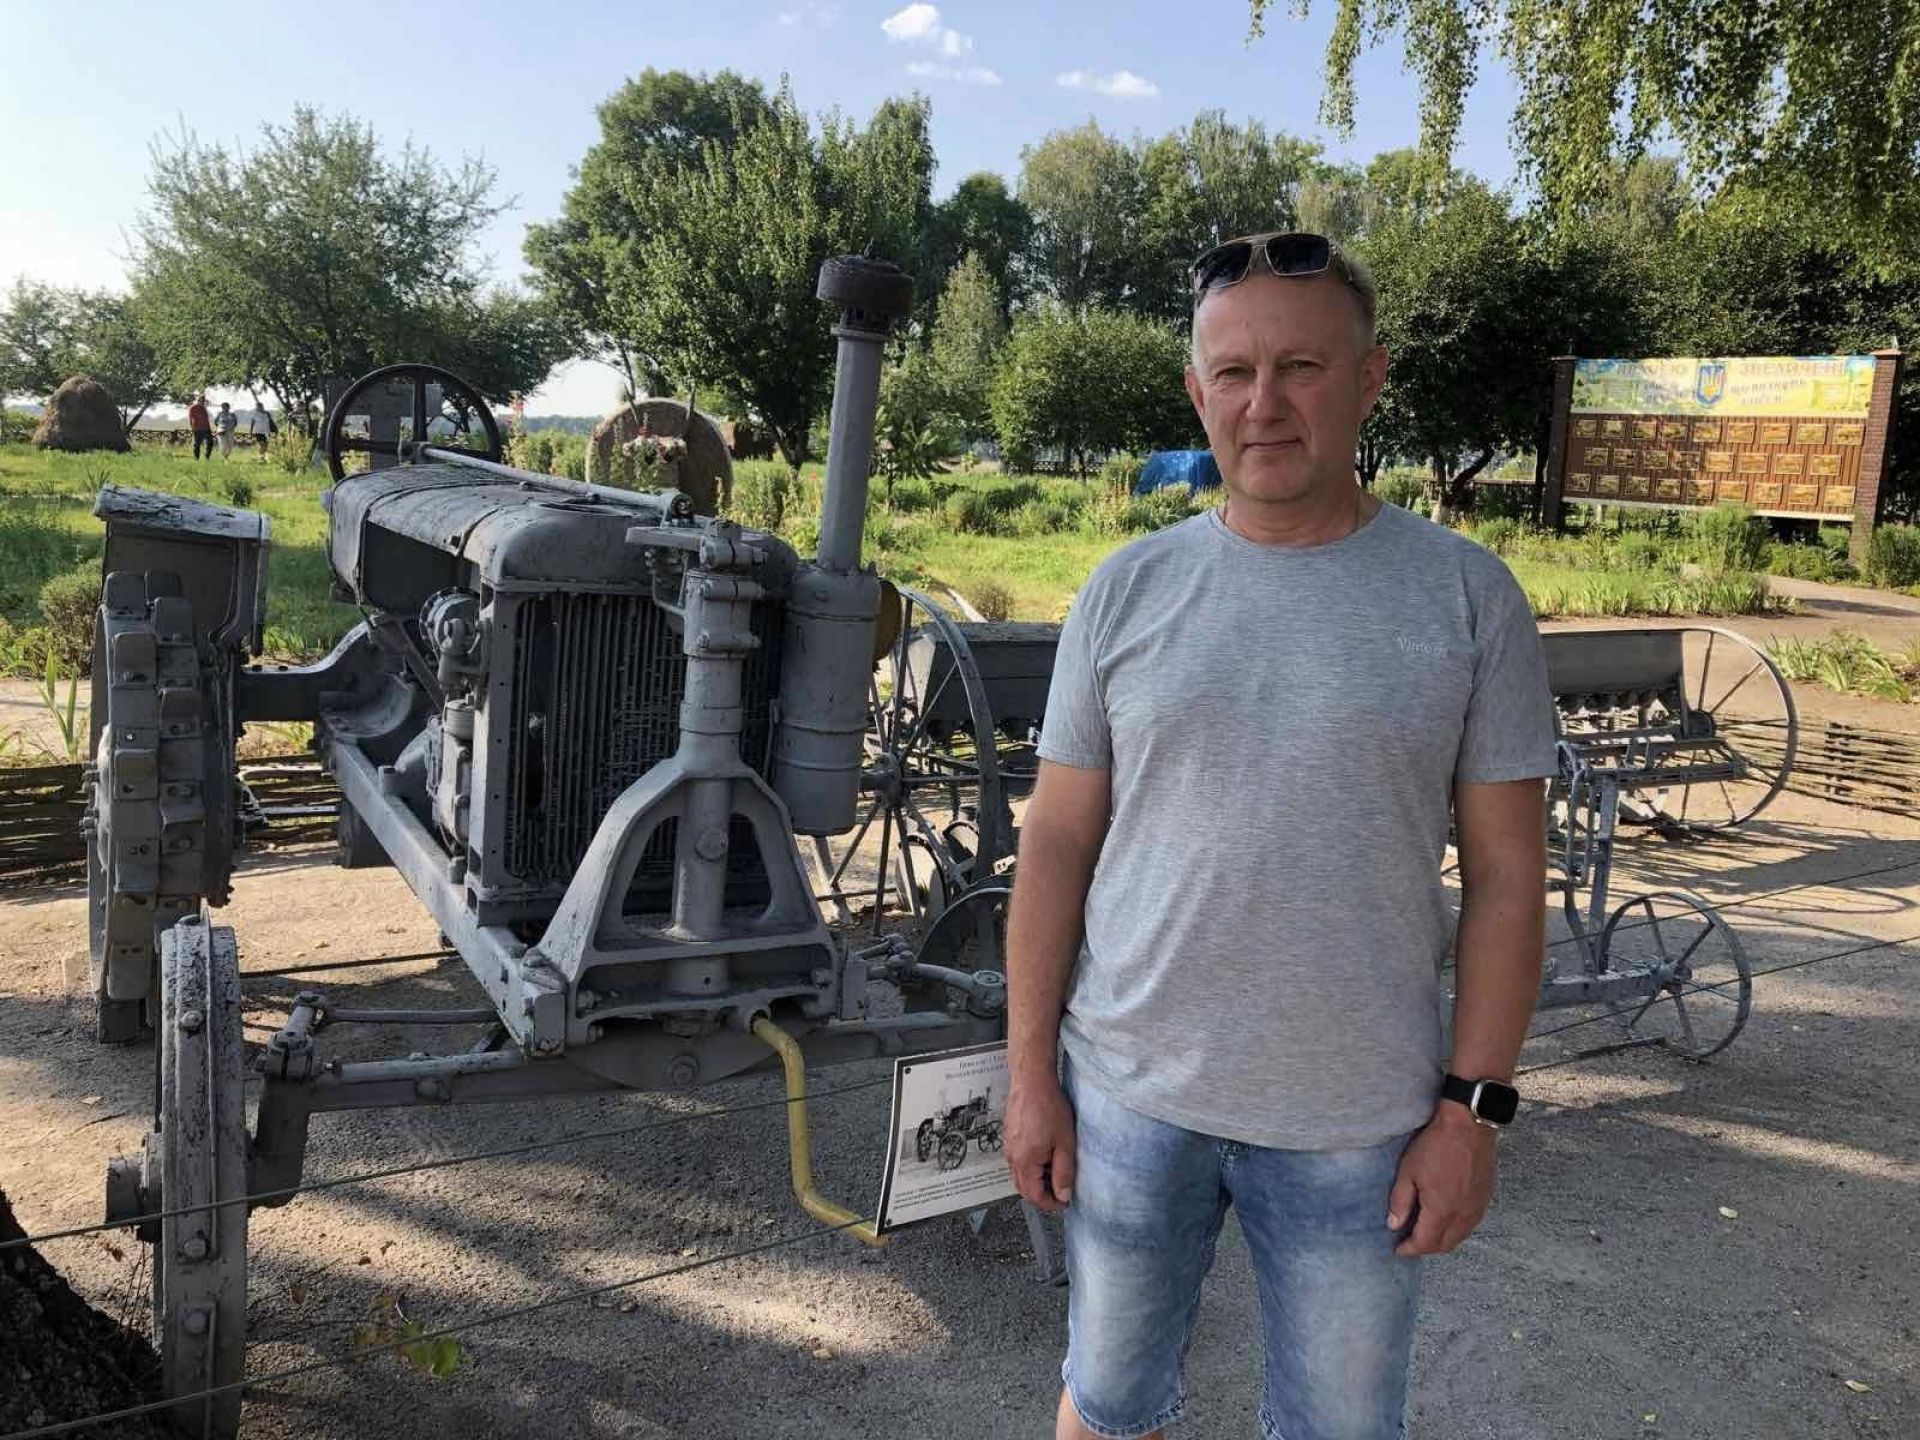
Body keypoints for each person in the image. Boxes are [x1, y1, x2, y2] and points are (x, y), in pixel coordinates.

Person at [1005, 231, 1558, 1440]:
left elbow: (1510, 880)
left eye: (1301, 367)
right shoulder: (1125, 590)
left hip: (1359, 1122)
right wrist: (1029, 1074)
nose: (1264, 404)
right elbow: (1055, 846)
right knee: (1107, 1402)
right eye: (1234, 372)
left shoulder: (1467, 597)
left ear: (1369, 378)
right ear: (1198, 392)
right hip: (1129, 1097)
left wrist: (1474, 1114)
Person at [187, 395, 213, 460]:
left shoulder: (204, 408)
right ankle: (196, 458)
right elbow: (190, 418)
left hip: (206, 428)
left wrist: (209, 428)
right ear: (198, 401)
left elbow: (206, 419)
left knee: (210, 442)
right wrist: (192, 427)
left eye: (203, 401)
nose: (203, 402)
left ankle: (207, 457)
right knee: (196, 444)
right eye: (201, 401)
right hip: (197, 428)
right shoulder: (193, 408)